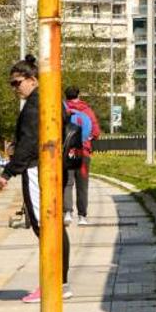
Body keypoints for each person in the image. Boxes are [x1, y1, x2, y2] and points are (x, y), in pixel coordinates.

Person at [2, 58, 71, 303]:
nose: (14, 88)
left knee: (43, 226)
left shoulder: (35, 104)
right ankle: (59, 281)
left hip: (36, 170)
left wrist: (8, 172)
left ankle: (52, 283)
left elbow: (30, 142)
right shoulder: (52, 97)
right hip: (51, 167)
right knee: (53, 226)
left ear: (32, 80)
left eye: (17, 83)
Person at [63, 86, 99, 226]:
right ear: (79, 95)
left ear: (66, 96)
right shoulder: (87, 110)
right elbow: (96, 132)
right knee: (82, 185)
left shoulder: (63, 109)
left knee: (68, 182)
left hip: (68, 152)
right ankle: (82, 216)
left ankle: (67, 213)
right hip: (83, 151)